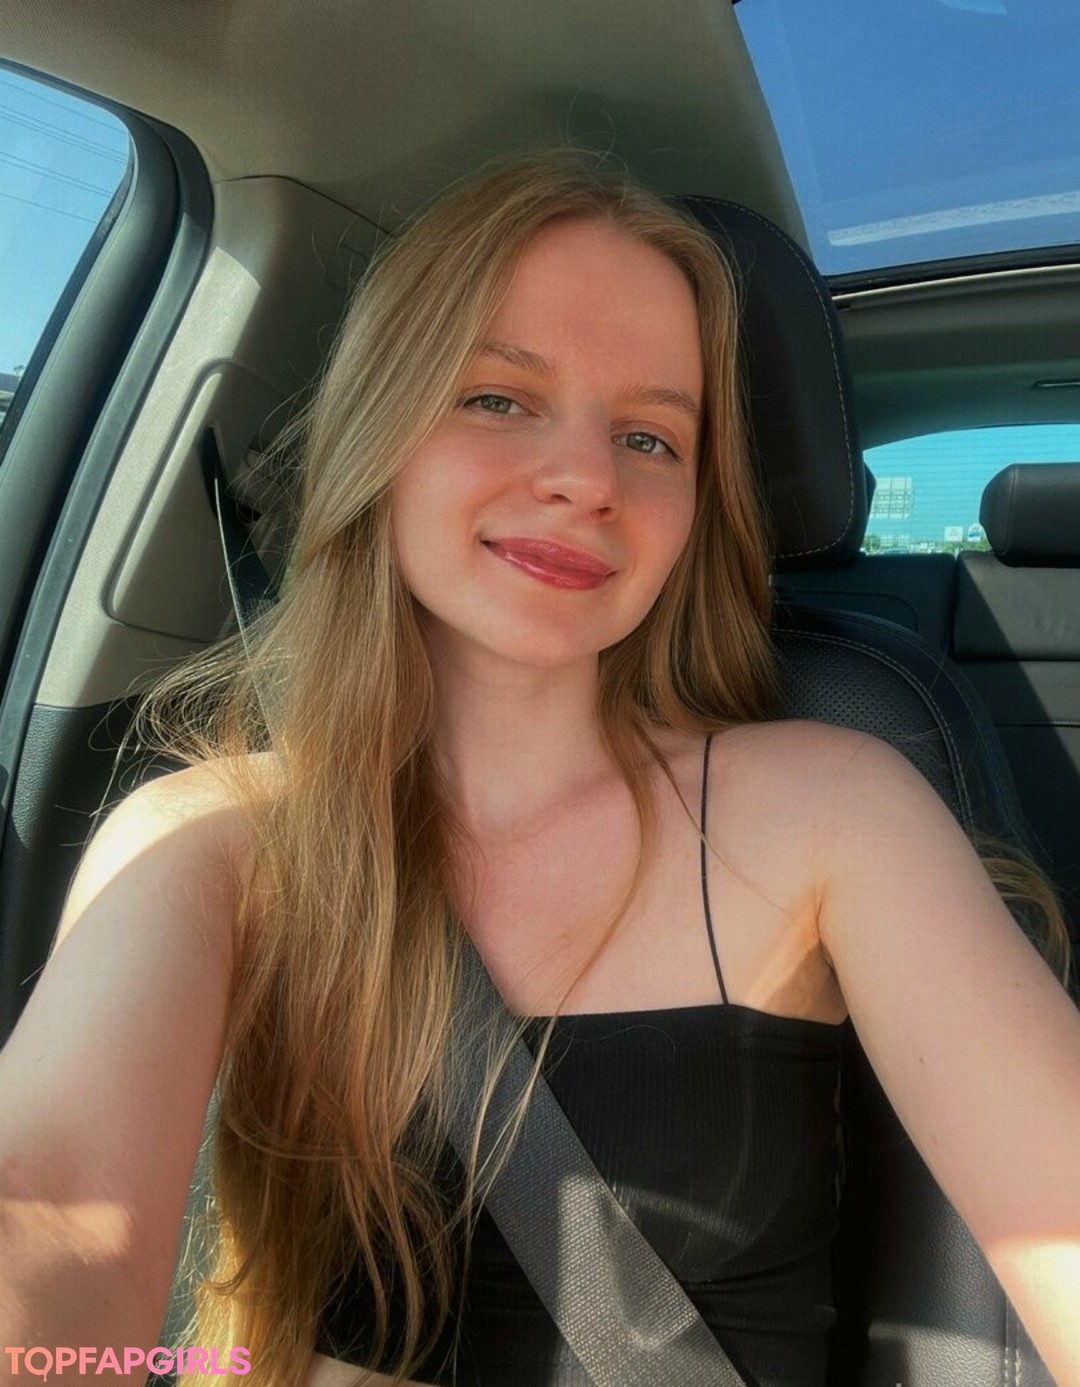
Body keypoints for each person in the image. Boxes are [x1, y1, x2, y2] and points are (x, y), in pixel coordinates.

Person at [1, 151, 1078, 1387]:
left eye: (650, 436)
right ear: (380, 431)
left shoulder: (839, 809)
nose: (587, 479)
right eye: (499, 399)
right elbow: (50, 1203)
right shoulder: (214, 841)